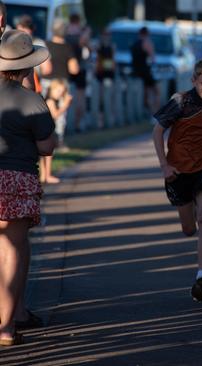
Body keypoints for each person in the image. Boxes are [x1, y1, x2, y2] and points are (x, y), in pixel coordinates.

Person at [152, 58, 202, 303]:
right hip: (178, 170)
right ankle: (192, 215)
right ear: (194, 81)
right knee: (189, 229)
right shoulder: (181, 101)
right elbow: (157, 131)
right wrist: (164, 165)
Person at [0, 29, 56, 346]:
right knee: (12, 251)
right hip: (16, 178)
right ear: (25, 66)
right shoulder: (31, 100)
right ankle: (7, 327)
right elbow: (47, 146)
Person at [41, 19, 79, 150]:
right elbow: (74, 69)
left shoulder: (45, 45)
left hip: (46, 82)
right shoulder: (68, 48)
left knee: (45, 112)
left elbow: (44, 67)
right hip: (61, 84)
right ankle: (59, 141)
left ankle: (45, 138)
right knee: (61, 115)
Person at [41, 79, 72, 184]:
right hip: (46, 129)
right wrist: (65, 105)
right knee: (48, 153)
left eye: (62, 92)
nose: (60, 94)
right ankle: (47, 175)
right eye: (58, 91)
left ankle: (44, 175)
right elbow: (55, 115)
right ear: (52, 89)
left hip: (47, 128)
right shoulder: (50, 101)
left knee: (45, 153)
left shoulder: (53, 100)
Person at [131, 26, 159, 113]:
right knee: (156, 92)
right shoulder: (147, 43)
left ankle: (144, 111)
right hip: (145, 71)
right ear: (147, 34)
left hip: (136, 71)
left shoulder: (135, 43)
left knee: (143, 93)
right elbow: (153, 58)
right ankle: (154, 113)